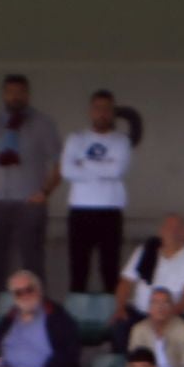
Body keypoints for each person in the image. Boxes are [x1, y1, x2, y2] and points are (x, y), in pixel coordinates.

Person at [0, 75, 61, 307]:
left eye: (20, 91)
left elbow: (60, 163)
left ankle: (39, 312)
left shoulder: (44, 124)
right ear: (4, 94)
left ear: (28, 94)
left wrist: (45, 192)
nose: (15, 96)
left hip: (29, 203)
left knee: (32, 262)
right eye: (10, 91)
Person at [61, 90, 133, 296]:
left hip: (110, 210)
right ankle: (76, 320)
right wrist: (104, 165)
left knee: (110, 271)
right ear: (91, 111)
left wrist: (83, 164)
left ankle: (112, 322)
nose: (102, 113)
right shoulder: (76, 138)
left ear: (113, 113)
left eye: (107, 109)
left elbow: (117, 170)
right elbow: (67, 170)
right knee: (78, 270)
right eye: (98, 108)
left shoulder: (121, 141)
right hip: (80, 210)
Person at [0, 271, 83, 367]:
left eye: (29, 289)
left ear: (39, 290)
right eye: (18, 292)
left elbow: (70, 349)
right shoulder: (9, 318)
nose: (25, 295)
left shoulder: (55, 314)